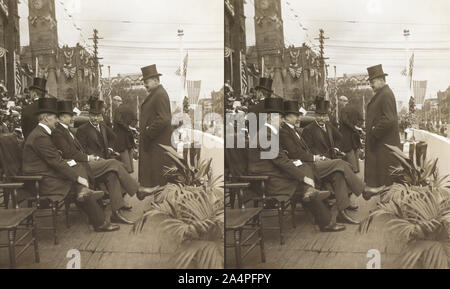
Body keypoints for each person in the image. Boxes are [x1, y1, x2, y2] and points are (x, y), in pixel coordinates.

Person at [280, 100, 388, 224]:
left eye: (298, 115)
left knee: (339, 174)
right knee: (340, 164)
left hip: (313, 162)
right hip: (307, 166)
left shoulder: (294, 130)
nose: (299, 117)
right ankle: (364, 190)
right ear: (286, 117)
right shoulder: (286, 132)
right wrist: (316, 157)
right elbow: (295, 153)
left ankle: (342, 213)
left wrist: (330, 152)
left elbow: (337, 138)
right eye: (296, 115)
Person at [247, 97, 345, 232]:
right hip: (267, 180)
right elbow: (280, 161)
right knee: (304, 182)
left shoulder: (267, 133)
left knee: (305, 178)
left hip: (271, 174)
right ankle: (324, 217)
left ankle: (318, 207)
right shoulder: (266, 135)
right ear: (271, 117)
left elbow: (278, 159)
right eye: (280, 117)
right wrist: (303, 177)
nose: (282, 121)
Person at [22, 98, 119, 232]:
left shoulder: (41, 133)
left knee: (78, 173)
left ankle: (93, 209)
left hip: (45, 174)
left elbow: (54, 159)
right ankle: (98, 218)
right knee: (77, 181)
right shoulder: (40, 136)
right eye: (55, 117)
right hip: (41, 180)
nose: (57, 121)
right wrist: (77, 178)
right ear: (45, 118)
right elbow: (55, 162)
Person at [365, 64, 401, 187]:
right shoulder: (383, 93)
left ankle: (386, 204)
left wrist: (374, 132)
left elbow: (389, 119)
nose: (371, 84)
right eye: (370, 82)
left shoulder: (385, 94)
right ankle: (384, 203)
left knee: (386, 180)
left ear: (381, 80)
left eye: (372, 81)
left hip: (385, 146)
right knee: (384, 179)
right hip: (383, 146)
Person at [139, 64, 172, 187]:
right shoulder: (157, 93)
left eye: (146, 81)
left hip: (157, 145)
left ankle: (159, 204)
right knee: (156, 178)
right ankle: (157, 203)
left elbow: (164, 119)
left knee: (158, 179)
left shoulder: (159, 94)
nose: (145, 85)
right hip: (156, 144)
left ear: (156, 80)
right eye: (144, 82)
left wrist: (148, 131)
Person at [338, 96, 364, 173]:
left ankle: (353, 169)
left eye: (339, 101)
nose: (339, 103)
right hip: (355, 134)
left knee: (349, 151)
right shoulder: (355, 109)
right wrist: (357, 127)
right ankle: (357, 168)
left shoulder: (343, 109)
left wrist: (353, 127)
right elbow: (361, 119)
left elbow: (345, 121)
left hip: (346, 133)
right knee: (355, 150)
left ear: (343, 101)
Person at [113, 100, 137, 173]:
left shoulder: (118, 109)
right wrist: (130, 127)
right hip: (129, 133)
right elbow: (135, 119)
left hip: (121, 133)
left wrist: (126, 127)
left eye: (114, 102)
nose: (114, 104)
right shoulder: (129, 109)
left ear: (117, 101)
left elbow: (118, 120)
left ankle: (127, 170)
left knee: (123, 151)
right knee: (129, 149)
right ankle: (131, 168)